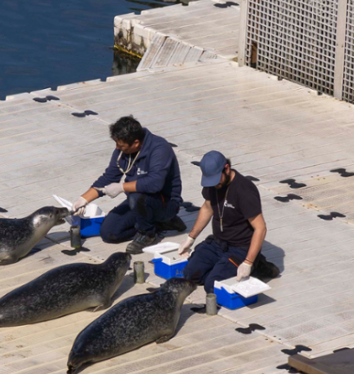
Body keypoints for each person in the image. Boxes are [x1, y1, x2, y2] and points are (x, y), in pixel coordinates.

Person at [72, 116, 185, 254]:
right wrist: (83, 200)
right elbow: (109, 177)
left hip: (164, 203)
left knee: (137, 196)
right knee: (109, 233)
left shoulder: (159, 149)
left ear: (136, 143)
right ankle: (158, 223)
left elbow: (154, 183)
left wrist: (121, 187)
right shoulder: (123, 151)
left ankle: (148, 234)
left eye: (121, 146)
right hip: (137, 203)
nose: (117, 148)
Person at [180, 150, 274, 294]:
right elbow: (207, 207)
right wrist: (190, 238)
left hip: (240, 247)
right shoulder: (213, 183)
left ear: (227, 168)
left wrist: (248, 262)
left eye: (216, 179)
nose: (214, 184)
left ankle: (255, 264)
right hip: (217, 243)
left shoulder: (244, 190)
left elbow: (260, 228)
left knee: (212, 287)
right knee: (188, 276)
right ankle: (221, 266)